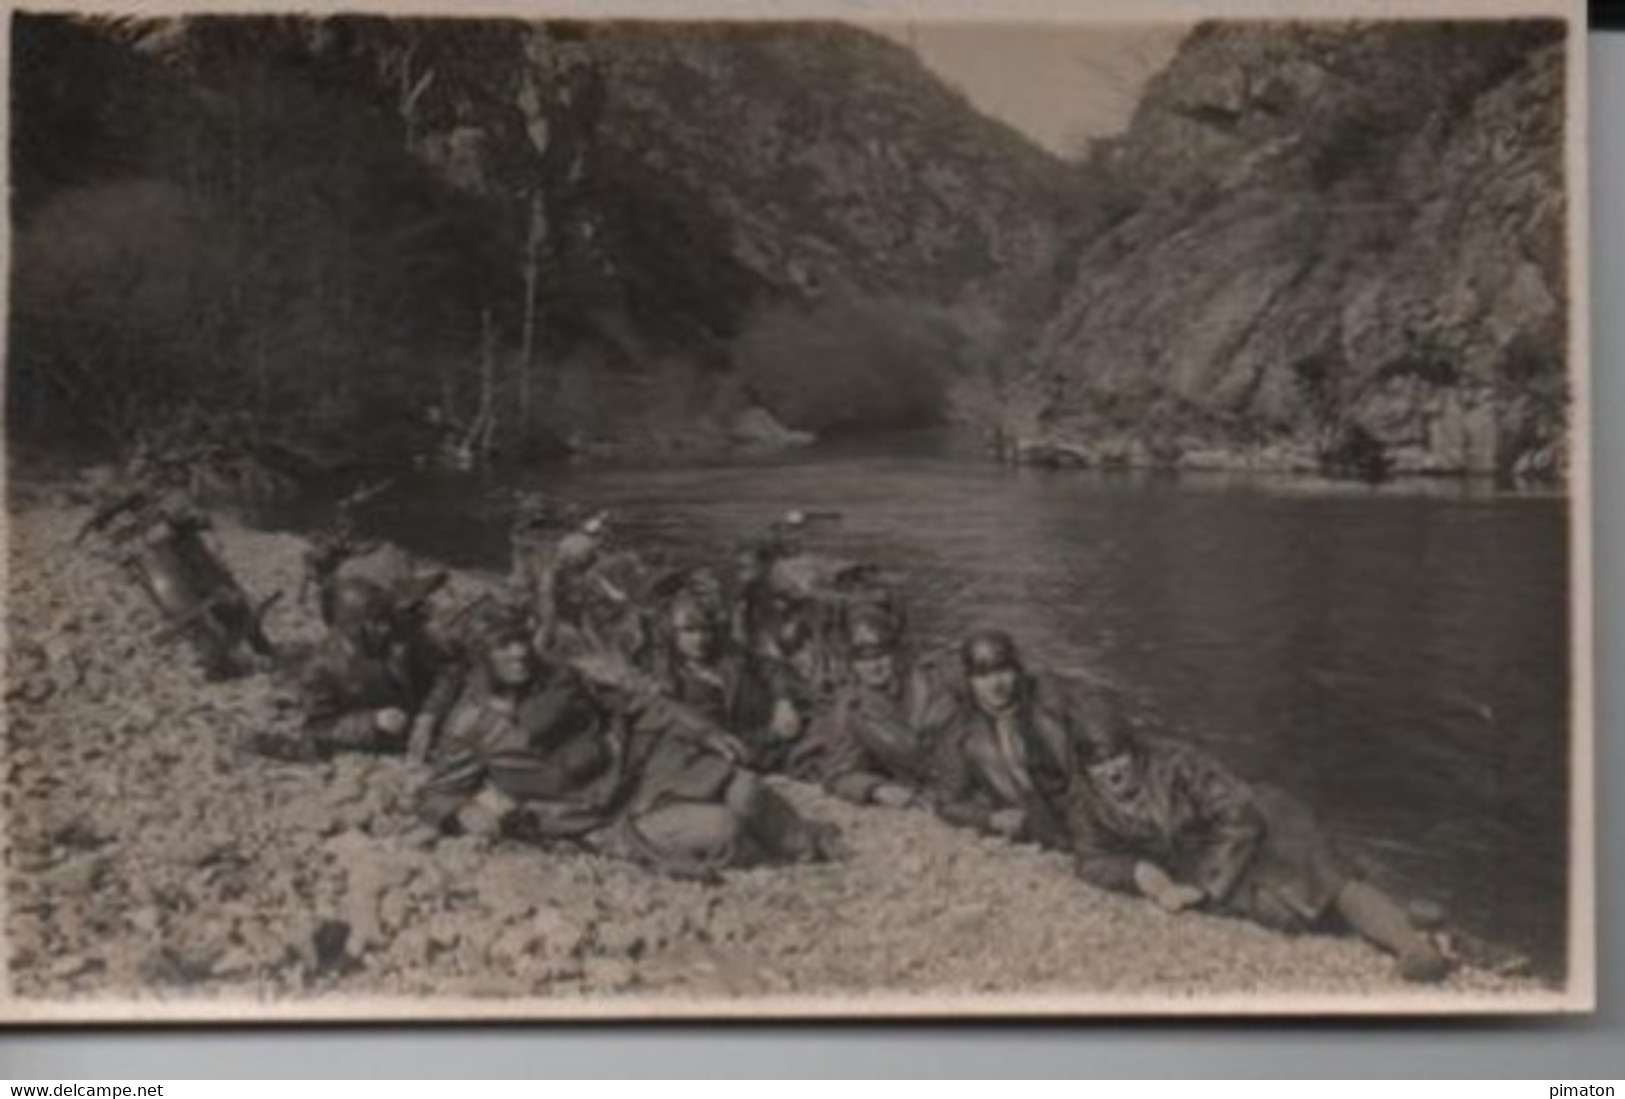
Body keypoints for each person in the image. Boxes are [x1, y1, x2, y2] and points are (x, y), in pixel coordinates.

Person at [415, 600, 841, 877]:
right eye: (503, 647)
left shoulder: (560, 676)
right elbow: (435, 792)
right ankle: (763, 861)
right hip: (600, 817)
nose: (519, 653)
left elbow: (639, 703)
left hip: (643, 769)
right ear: (480, 655)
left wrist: (704, 730)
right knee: (723, 827)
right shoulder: (468, 724)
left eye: (522, 641)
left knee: (746, 787)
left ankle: (805, 845)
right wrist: (460, 813)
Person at [1066, 716, 1455, 984]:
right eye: (1098, 765)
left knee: (1325, 879)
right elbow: (1090, 860)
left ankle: (1414, 948)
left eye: (1118, 757)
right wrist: (1141, 874)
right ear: (1086, 771)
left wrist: (1206, 887)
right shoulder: (1087, 804)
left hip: (1259, 824)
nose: (1112, 771)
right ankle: (1416, 920)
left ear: (1135, 753)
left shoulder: (1175, 763)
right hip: (1206, 859)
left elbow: (1238, 815)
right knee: (1286, 913)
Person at [254, 576, 450, 761]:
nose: (384, 628)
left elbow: (447, 670)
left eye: (384, 618)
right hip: (379, 742)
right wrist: (372, 721)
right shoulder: (322, 668)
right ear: (349, 628)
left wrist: (429, 714)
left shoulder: (401, 640)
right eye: (373, 623)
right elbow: (318, 729)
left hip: (428, 724)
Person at [928, 630, 1084, 849]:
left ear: (1017, 671)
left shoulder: (1050, 707)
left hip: (1080, 812)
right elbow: (947, 803)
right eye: (982, 675)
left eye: (1002, 671)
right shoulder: (960, 733)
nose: (995, 684)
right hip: (1033, 824)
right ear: (969, 681)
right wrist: (990, 818)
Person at [805, 605, 955, 806]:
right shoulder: (852, 710)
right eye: (863, 659)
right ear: (852, 665)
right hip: (927, 795)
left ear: (897, 653)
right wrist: (876, 789)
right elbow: (837, 772)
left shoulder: (936, 678)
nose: (874, 667)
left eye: (881, 655)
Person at [652, 581, 804, 774]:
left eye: (705, 629)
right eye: (688, 630)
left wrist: (784, 702)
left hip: (777, 747)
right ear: (671, 634)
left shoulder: (732, 659)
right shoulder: (669, 680)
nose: (699, 639)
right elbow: (674, 721)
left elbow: (772, 669)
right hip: (723, 763)